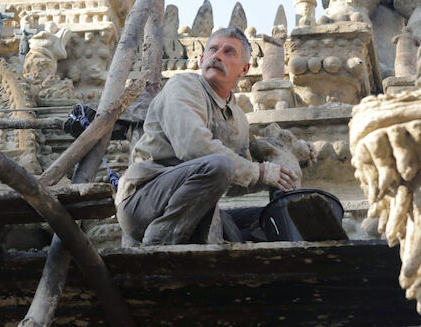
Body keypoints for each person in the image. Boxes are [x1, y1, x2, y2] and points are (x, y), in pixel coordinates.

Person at [115, 27, 298, 246]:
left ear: (244, 69)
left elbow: (231, 180)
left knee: (265, 218)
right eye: (213, 49)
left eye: (229, 52)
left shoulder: (239, 118)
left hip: (194, 207)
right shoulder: (182, 86)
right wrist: (258, 171)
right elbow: (194, 147)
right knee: (220, 164)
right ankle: (159, 244)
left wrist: (275, 177)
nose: (218, 55)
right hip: (144, 200)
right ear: (202, 59)